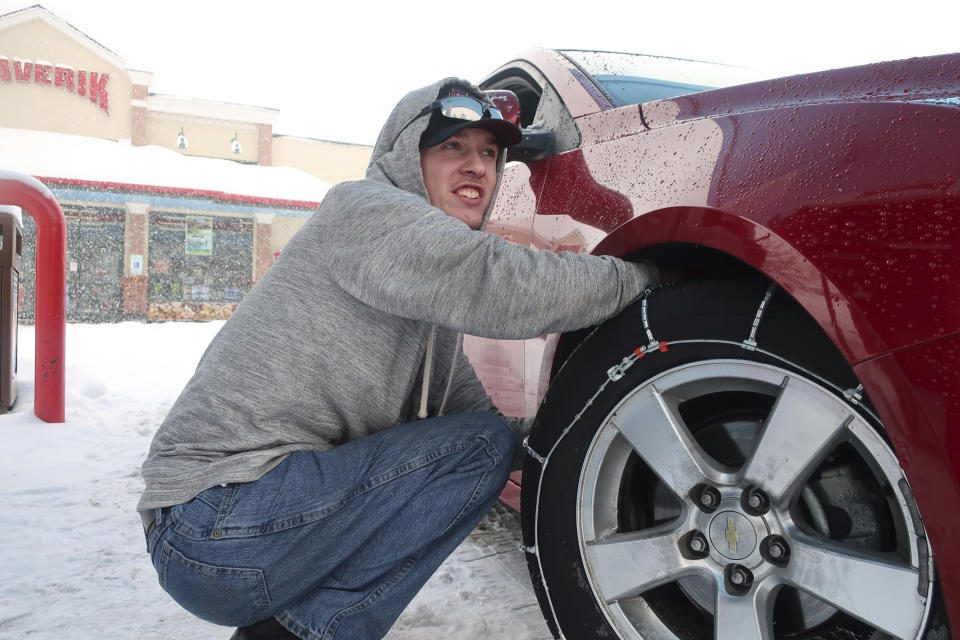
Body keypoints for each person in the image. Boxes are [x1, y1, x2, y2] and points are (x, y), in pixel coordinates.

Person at [137, 77, 661, 640]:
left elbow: (493, 433)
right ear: (406, 157)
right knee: (480, 446)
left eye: (490, 153)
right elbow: (501, 282)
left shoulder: (426, 316)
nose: (477, 167)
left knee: (484, 443)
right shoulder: (363, 211)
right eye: (452, 148)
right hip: (214, 520)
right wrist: (654, 276)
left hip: (238, 532)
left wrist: (617, 432)